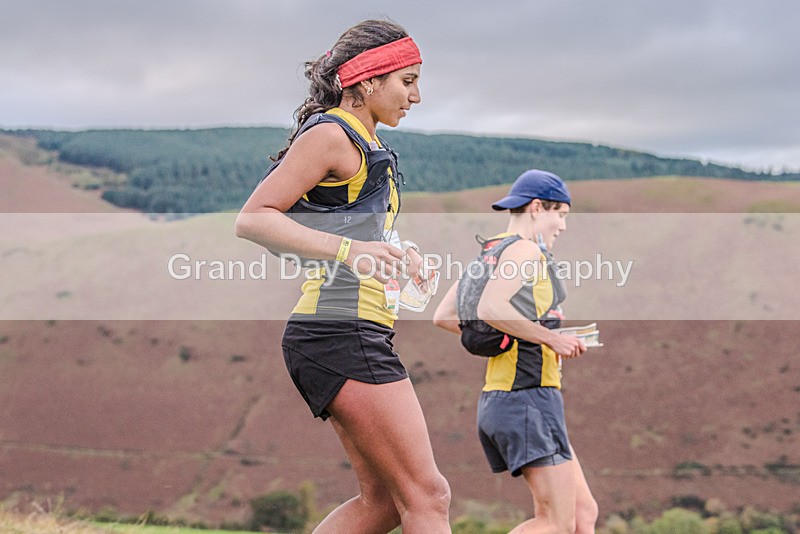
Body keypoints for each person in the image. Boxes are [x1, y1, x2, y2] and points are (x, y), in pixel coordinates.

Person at [235, 19, 450, 533]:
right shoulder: (332, 134)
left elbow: (351, 227)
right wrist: (350, 251)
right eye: (408, 81)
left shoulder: (364, 141)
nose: (417, 96)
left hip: (349, 329)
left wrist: (402, 254)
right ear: (368, 80)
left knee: (382, 504)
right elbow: (253, 217)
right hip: (338, 331)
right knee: (428, 496)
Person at [433, 169, 598, 533]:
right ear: (538, 207)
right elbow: (491, 309)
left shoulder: (490, 252)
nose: (563, 226)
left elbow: (445, 316)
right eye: (561, 214)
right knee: (555, 522)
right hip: (527, 399)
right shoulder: (525, 251)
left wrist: (519, 335)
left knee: (583, 515)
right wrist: (549, 338)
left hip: (511, 400)